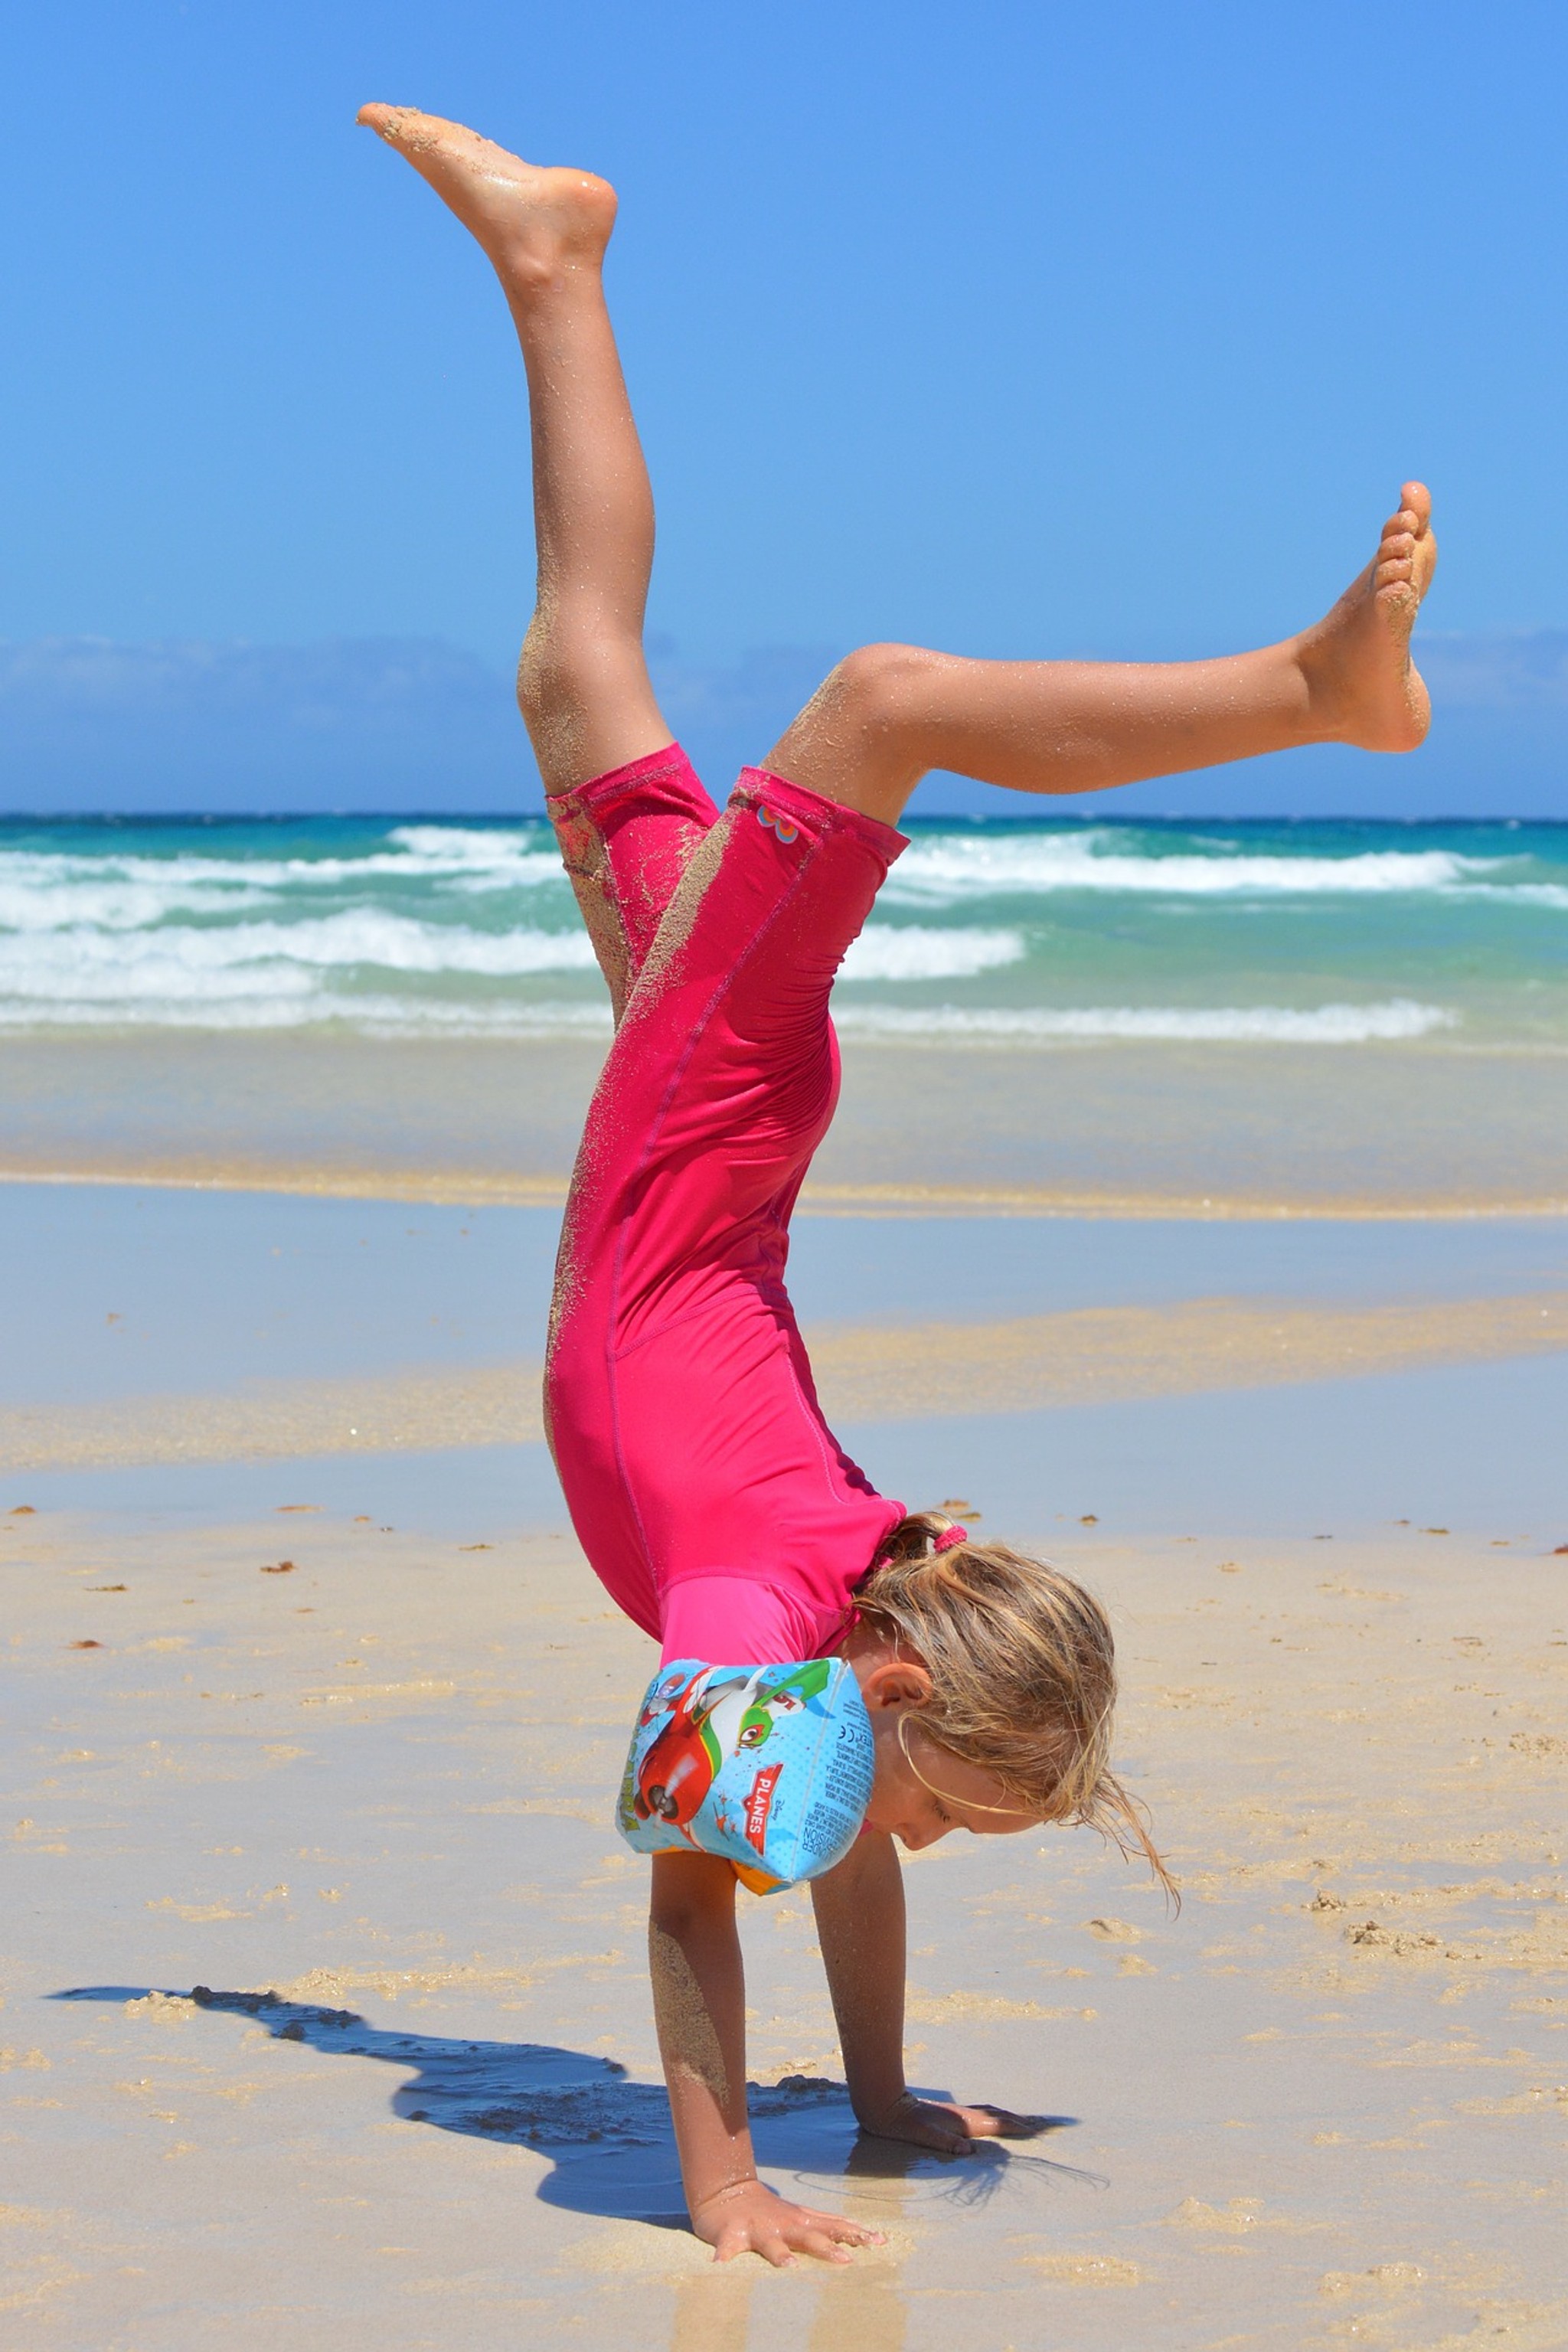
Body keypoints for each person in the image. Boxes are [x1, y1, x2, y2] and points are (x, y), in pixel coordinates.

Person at [357, 103, 1437, 2267]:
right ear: (911, 1693)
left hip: (706, 1150)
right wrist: (729, 2182)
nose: (918, 1846)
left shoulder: (850, 1629)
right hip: (703, 1124)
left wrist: (869, 2104)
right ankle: (1307, 695)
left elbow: (828, 1837)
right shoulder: (779, 1627)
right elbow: (692, 1903)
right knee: (881, 702)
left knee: (580, 676)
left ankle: (556, 263)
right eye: (952, 1811)